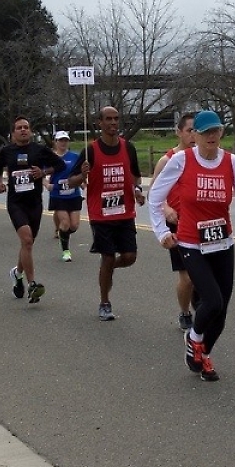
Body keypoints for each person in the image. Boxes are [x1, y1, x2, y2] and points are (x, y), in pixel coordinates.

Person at [149, 110, 235, 382]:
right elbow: (155, 197)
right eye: (206, 132)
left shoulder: (232, 162)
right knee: (212, 300)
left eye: (216, 131)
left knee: (221, 312)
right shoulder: (181, 161)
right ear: (195, 135)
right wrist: (161, 232)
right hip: (191, 243)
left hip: (222, 242)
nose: (212, 136)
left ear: (221, 133)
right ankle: (194, 338)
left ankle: (204, 354)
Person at [69, 106, 146, 321]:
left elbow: (135, 176)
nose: (113, 123)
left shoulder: (128, 147)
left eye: (116, 119)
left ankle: (108, 268)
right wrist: (81, 175)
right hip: (100, 214)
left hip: (125, 212)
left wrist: (137, 191)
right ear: (100, 123)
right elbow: (71, 181)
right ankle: (104, 302)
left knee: (130, 257)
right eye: (108, 119)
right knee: (108, 256)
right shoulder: (90, 151)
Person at [0, 116, 66, 304]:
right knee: (26, 240)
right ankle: (32, 283)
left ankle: (17, 273)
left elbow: (60, 164)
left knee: (28, 244)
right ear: (13, 133)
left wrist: (43, 172)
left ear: (31, 131)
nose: (23, 130)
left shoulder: (39, 150)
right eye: (19, 128)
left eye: (26, 127)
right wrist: (0, 182)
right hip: (16, 203)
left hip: (34, 203)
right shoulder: (7, 151)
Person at [149, 113, 197, 331]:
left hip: (201, 224)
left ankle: (201, 306)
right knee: (187, 278)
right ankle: (185, 312)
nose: (193, 135)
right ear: (179, 132)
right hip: (177, 224)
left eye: (197, 131)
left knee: (204, 275)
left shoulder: (203, 158)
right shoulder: (167, 160)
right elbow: (154, 193)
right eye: (189, 131)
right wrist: (166, 207)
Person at [44, 131, 84, 262]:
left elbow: (80, 173)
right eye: (60, 140)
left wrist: (83, 183)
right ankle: (66, 251)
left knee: (74, 225)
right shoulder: (50, 158)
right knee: (65, 223)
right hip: (58, 194)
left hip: (73, 194)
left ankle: (62, 233)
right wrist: (46, 184)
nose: (63, 143)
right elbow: (41, 174)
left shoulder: (75, 156)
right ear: (55, 142)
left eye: (65, 140)